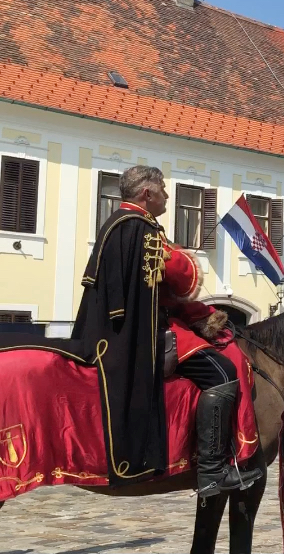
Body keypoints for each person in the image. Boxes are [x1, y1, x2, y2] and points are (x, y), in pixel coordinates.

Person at [26, 166, 262, 494]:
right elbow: (183, 281)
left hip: (117, 333)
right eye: (163, 189)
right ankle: (212, 471)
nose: (167, 195)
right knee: (223, 373)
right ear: (147, 194)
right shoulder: (145, 230)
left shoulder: (115, 225)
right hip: (145, 334)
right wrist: (182, 258)